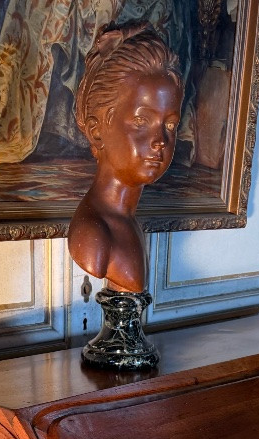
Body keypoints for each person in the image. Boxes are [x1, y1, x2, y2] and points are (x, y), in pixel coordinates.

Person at [67, 23, 183, 293]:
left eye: (170, 125)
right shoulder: (93, 234)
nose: (160, 141)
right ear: (97, 132)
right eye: (142, 121)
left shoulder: (127, 222)